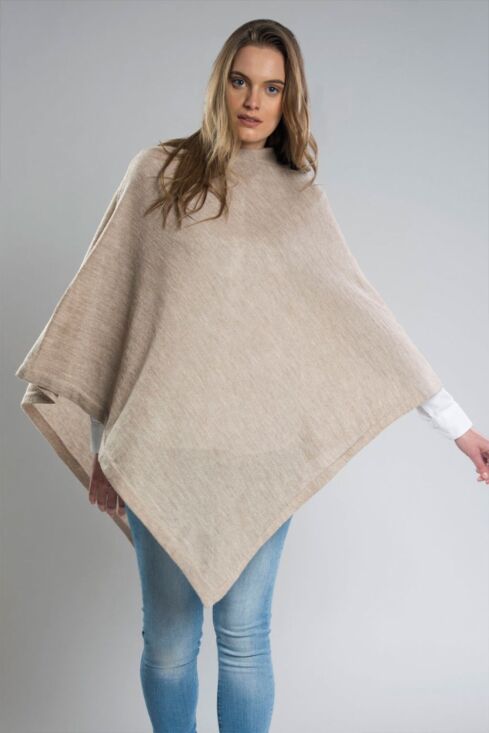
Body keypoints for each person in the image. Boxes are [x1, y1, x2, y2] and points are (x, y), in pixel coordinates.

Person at [16, 18, 488, 733]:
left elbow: (366, 323)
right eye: (241, 80)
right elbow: (114, 321)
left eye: (272, 87)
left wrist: (457, 426)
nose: (253, 100)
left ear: (289, 98)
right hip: (162, 448)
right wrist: (104, 443)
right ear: (220, 83)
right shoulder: (157, 173)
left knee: (244, 641)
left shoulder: (298, 200)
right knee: (168, 644)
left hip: (257, 457)